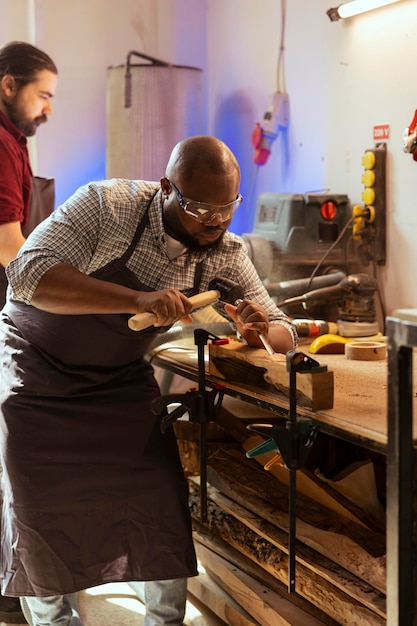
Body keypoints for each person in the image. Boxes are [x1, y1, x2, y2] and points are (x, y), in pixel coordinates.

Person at [0, 134, 297, 626]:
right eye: (202, 207)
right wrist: (134, 299)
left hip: (116, 377)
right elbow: (27, 274)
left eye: (227, 207)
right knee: (40, 506)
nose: (216, 220)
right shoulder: (106, 206)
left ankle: (164, 622)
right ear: (166, 188)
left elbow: (281, 328)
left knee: (158, 497)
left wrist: (261, 330)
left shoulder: (224, 251)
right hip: (38, 368)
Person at [0, 39, 58, 625]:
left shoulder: (13, 142)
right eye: (43, 94)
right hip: (3, 308)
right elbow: (8, 248)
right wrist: (68, 294)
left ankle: (14, 592)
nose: (48, 108)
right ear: (8, 86)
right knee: (10, 463)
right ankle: (15, 596)